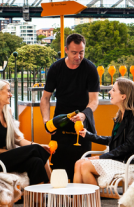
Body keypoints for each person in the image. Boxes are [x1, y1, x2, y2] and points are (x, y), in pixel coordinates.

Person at [40, 33, 100, 179]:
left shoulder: (90, 69)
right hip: (60, 125)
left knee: (81, 169)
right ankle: (61, 201)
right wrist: (47, 122)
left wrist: (84, 114)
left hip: (82, 124)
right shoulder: (56, 68)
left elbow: (94, 101)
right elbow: (45, 98)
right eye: (74, 52)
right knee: (59, 171)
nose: (78, 56)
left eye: (81, 52)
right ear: (66, 50)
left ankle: (80, 201)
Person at [73, 77, 134, 188]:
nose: (109, 92)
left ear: (123, 96)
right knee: (78, 163)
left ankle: (95, 205)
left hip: (131, 163)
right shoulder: (120, 116)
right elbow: (113, 140)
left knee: (85, 166)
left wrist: (102, 157)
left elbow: (128, 146)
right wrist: (89, 135)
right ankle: (77, 204)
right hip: (120, 159)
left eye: (113, 90)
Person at [0, 80, 51, 185]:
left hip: (7, 158)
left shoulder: (7, 113)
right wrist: (5, 152)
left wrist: (39, 145)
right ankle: (54, 185)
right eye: (8, 91)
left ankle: (36, 200)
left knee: (36, 162)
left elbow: (18, 140)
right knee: (36, 149)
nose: (10, 94)